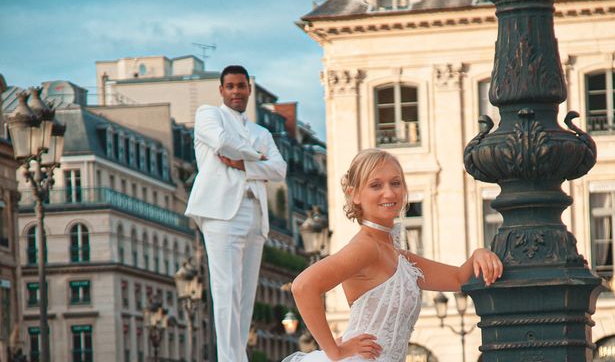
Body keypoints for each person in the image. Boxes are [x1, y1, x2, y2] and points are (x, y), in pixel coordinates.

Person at [284, 149, 503, 361]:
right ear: (355, 194)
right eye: (376, 185)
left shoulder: (400, 257)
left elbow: (458, 279)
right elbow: (303, 287)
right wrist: (335, 352)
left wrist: (479, 254)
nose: (389, 193)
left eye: (396, 183)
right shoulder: (366, 248)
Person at [185, 65, 287, 362]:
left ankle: (238, 356)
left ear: (248, 89)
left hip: (255, 213)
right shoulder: (208, 114)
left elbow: (279, 170)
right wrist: (259, 158)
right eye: (230, 86)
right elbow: (222, 143)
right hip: (221, 211)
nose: (236, 91)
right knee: (225, 287)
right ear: (221, 90)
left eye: (241, 86)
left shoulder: (261, 131)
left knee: (245, 293)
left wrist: (244, 164)